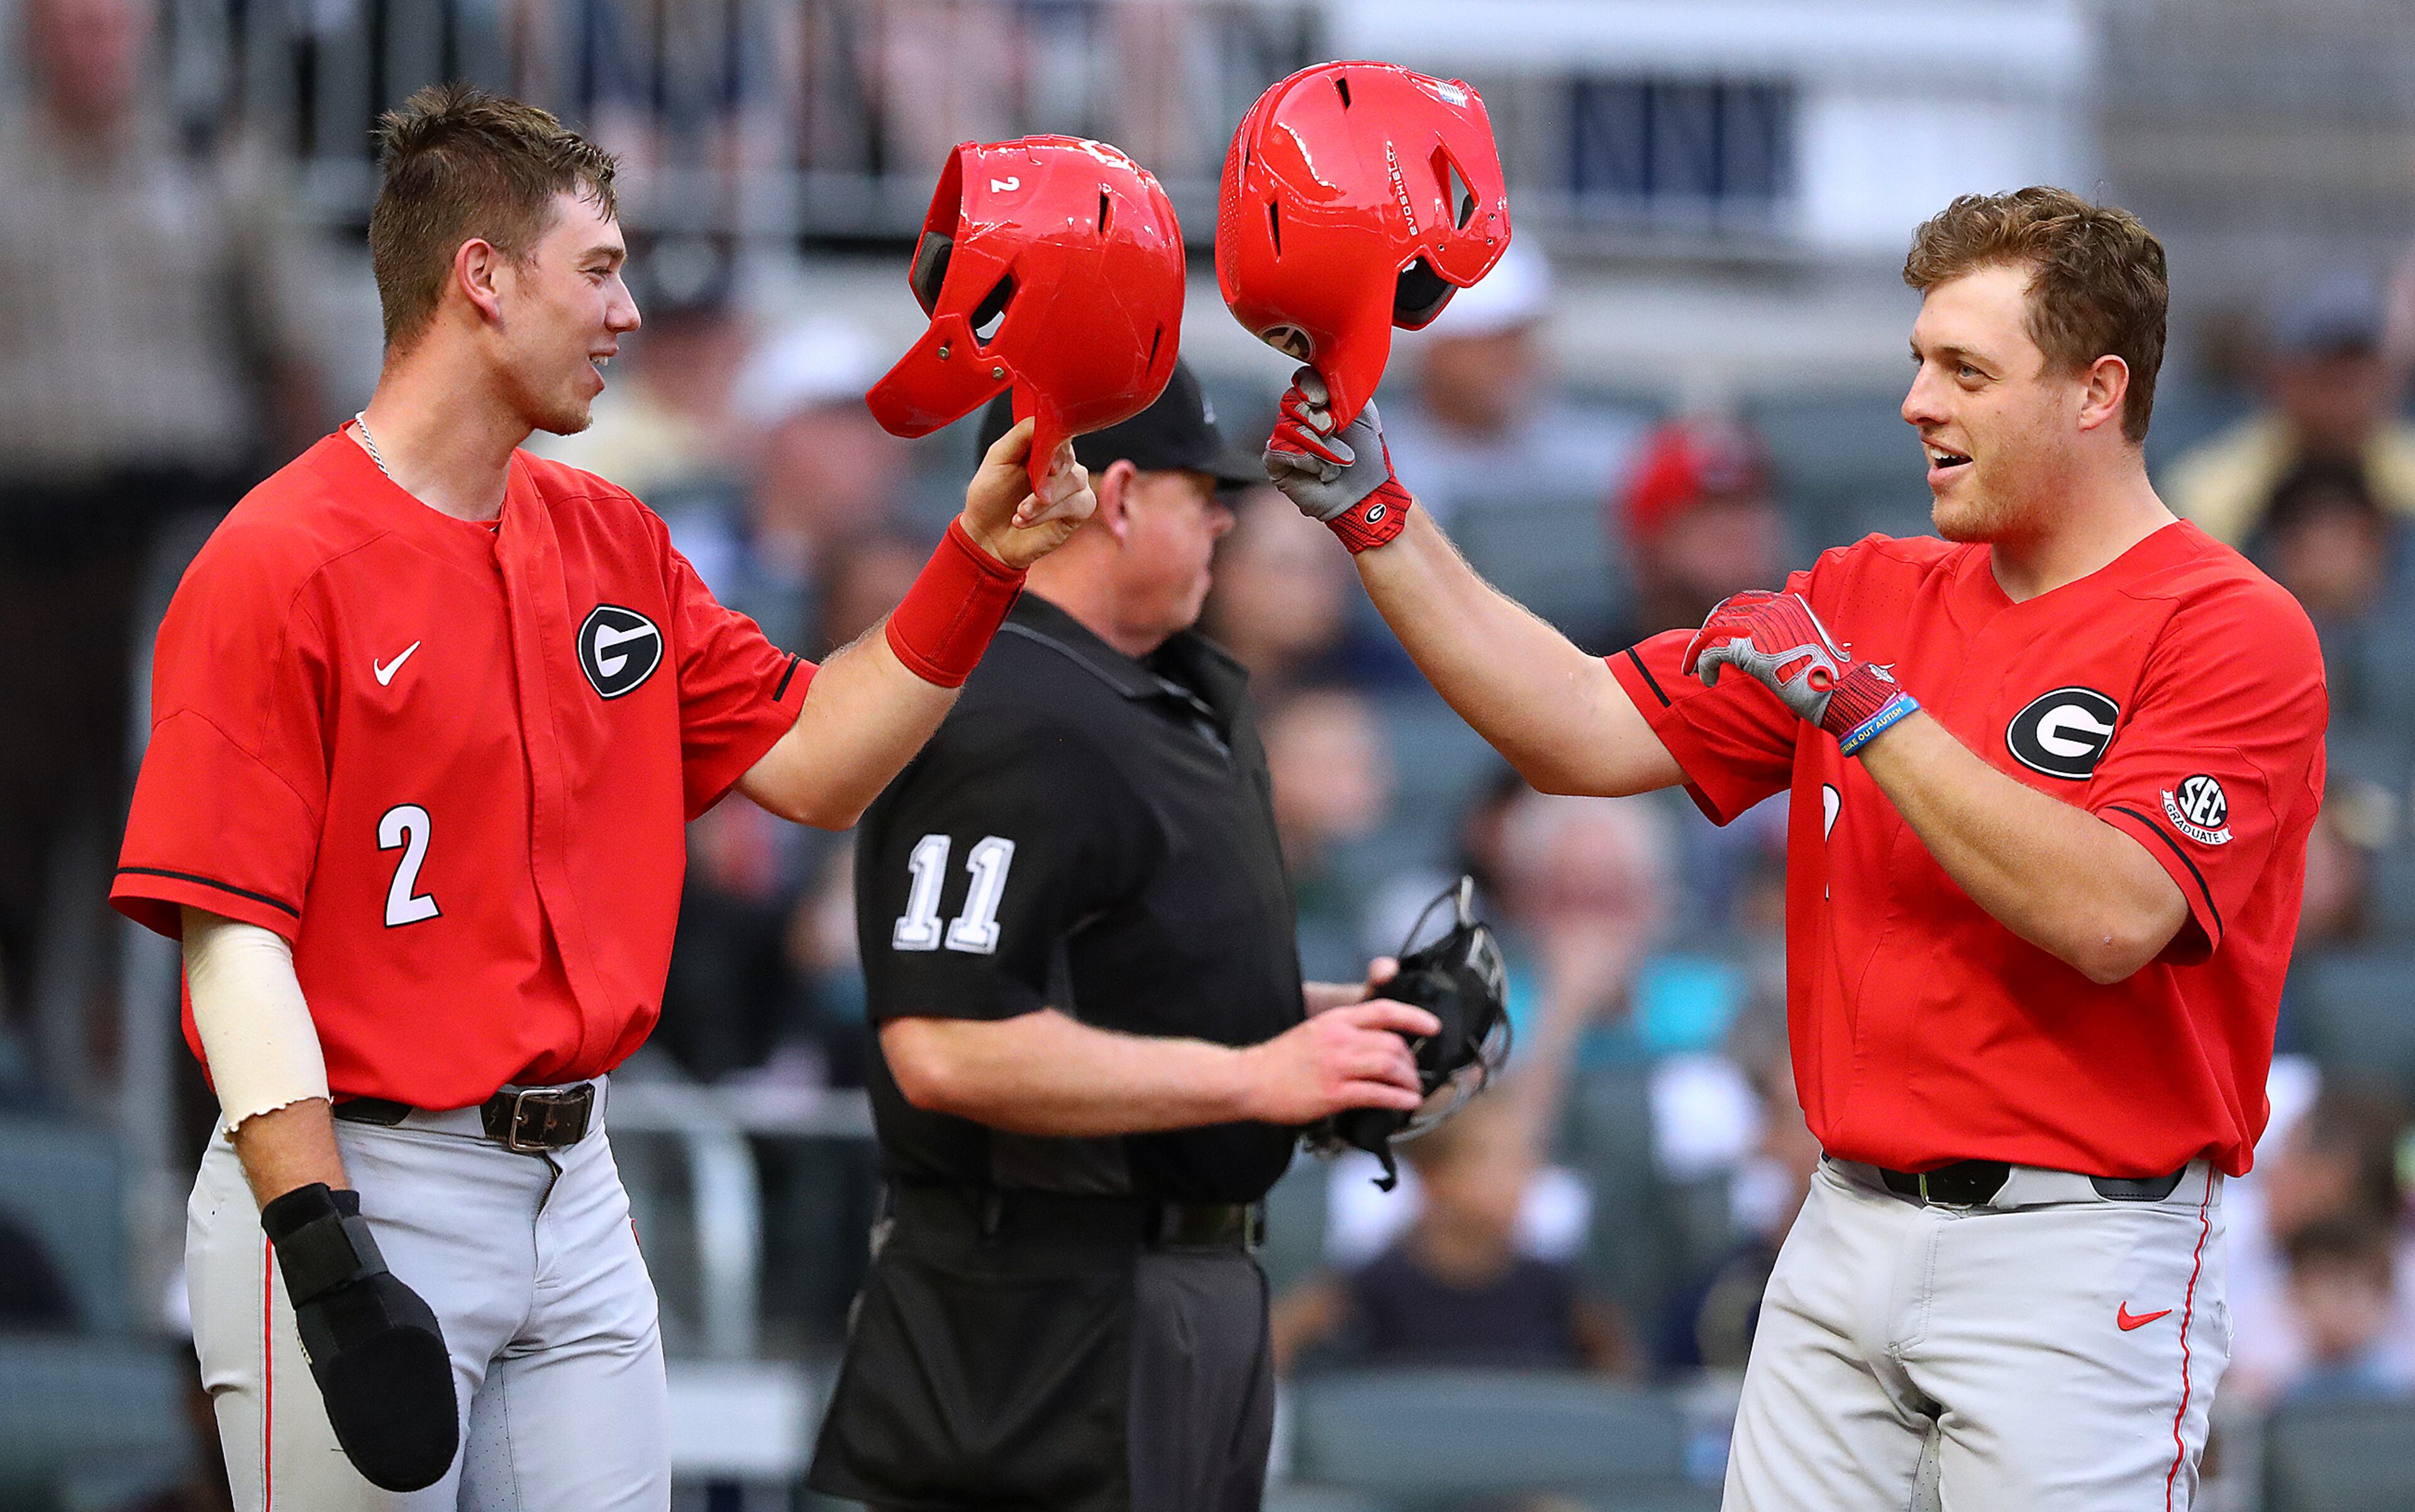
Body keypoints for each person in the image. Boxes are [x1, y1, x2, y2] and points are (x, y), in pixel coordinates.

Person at [1253, 186, 2327, 1508]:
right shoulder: (1867, 591)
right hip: (1840, 1222)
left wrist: (1876, 715)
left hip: (2082, 1250)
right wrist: (1379, 516)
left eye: (1967, 370)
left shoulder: (2232, 626)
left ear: (2097, 391)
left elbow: (2115, 913)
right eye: (1919, 361)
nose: (1918, 402)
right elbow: (1581, 729)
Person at [109, 84, 1094, 1511]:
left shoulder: (612, 538)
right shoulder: (273, 559)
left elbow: (815, 763)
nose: (629, 311)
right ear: (482, 280)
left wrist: (979, 561)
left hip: (576, 1180)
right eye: (601, 267)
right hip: (361, 1176)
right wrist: (321, 1242)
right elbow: (231, 931)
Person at [807, 361, 1444, 1512]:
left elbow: (1117, 982)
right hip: (1040, 1319)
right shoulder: (1002, 706)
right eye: (1205, 490)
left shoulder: (1165, 693)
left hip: (1178, 1289)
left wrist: (1326, 1026)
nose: (1225, 518)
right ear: (1119, 494)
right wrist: (1256, 1073)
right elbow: (945, 1043)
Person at [0, 0, 323, 1036]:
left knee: (170, 820)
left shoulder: (214, 159)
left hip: (176, 537)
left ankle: (170, 1099)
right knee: (18, 810)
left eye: (109, 21)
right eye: (70, 23)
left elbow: (293, 355)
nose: (92, 41)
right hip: (25, 535)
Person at [2164, 271, 2415, 546]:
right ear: (2279, 378)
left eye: (2356, 377)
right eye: (2326, 377)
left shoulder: (2407, 479)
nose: (2342, 399)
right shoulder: (2211, 493)